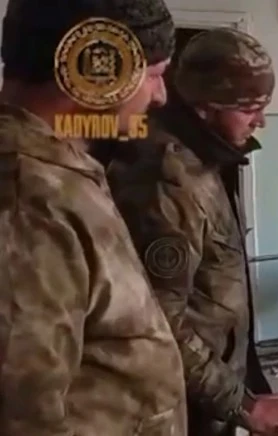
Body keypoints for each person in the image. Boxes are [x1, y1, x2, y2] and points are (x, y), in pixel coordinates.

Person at [105, 28, 278, 436]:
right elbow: (159, 322)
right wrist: (244, 405)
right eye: (250, 108)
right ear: (204, 107)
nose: (261, 121)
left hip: (212, 393)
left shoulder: (205, 158)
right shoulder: (167, 180)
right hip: (182, 406)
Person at [0, 0, 187, 435]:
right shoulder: (27, 199)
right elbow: (26, 419)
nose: (160, 95)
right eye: (154, 75)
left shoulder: (58, 170)